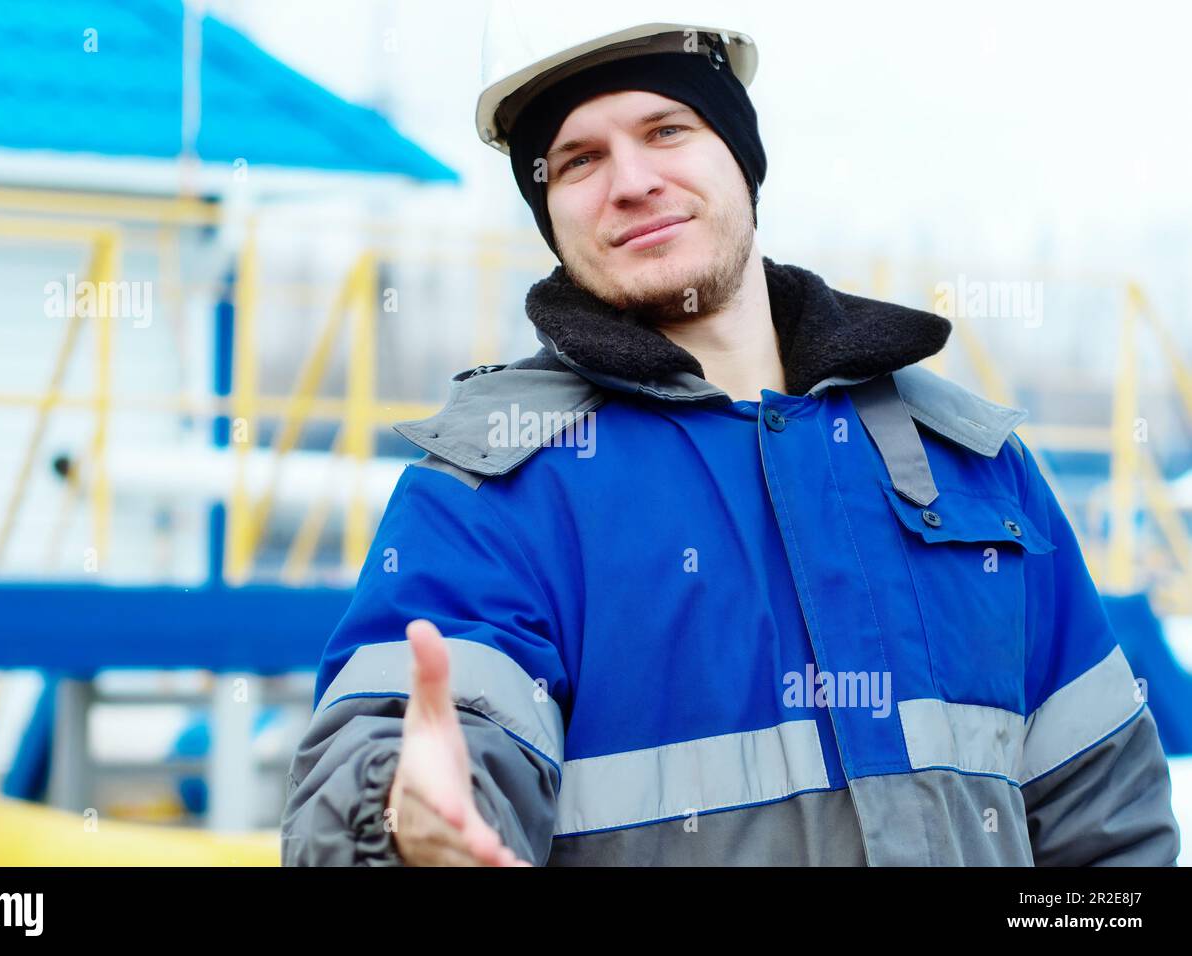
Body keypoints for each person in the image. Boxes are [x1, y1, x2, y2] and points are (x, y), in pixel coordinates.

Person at [281, 2, 1181, 866]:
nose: (633, 181)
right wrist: (401, 820)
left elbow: (1110, 830)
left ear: (741, 153)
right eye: (580, 159)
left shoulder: (972, 465)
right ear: (549, 212)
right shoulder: (492, 493)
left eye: (668, 129)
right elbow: (408, 739)